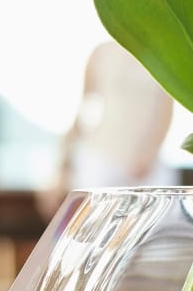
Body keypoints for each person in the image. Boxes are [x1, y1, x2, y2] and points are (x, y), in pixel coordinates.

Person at [41, 41, 175, 214]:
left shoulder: (163, 56)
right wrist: (60, 168)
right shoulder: (102, 53)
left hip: (148, 167)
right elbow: (82, 111)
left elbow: (165, 111)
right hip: (101, 158)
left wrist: (148, 154)